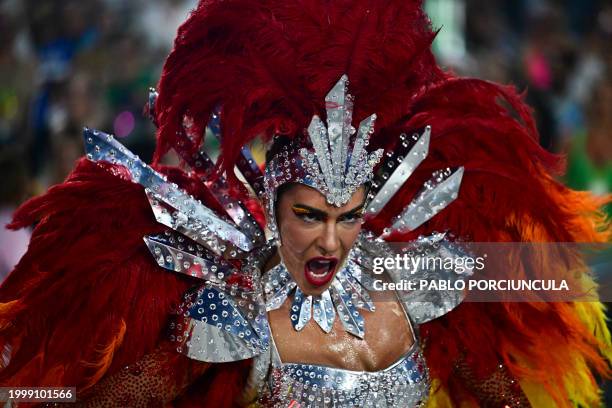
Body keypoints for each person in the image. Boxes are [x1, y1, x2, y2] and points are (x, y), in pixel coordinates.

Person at [0, 0, 609, 407]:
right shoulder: (236, 310)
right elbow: (105, 398)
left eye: (349, 218)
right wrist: (24, 395)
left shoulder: (418, 287)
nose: (330, 242)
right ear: (272, 203)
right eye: (310, 216)